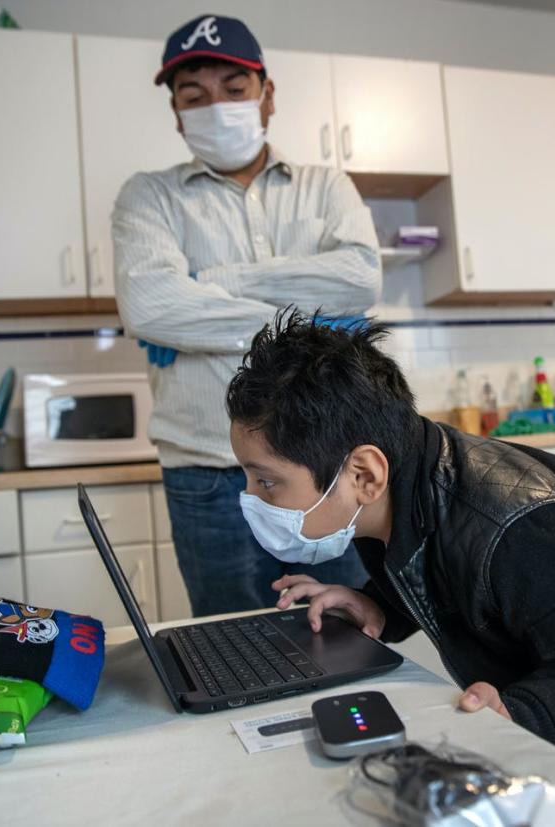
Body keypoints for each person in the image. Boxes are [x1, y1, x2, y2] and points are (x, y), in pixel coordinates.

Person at [225, 310, 555, 806]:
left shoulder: (515, 529)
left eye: (267, 481)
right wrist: (377, 605)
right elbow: (438, 563)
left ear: (363, 474)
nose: (250, 498)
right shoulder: (387, 488)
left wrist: (518, 713)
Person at [112, 15, 381, 615]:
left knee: (349, 625)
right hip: (208, 472)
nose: (217, 106)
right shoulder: (148, 195)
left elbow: (361, 277)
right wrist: (312, 321)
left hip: (327, 463)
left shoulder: (326, 185)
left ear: (267, 96)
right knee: (233, 641)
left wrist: (215, 286)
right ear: (177, 114)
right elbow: (150, 305)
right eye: (195, 96)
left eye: (234, 89)